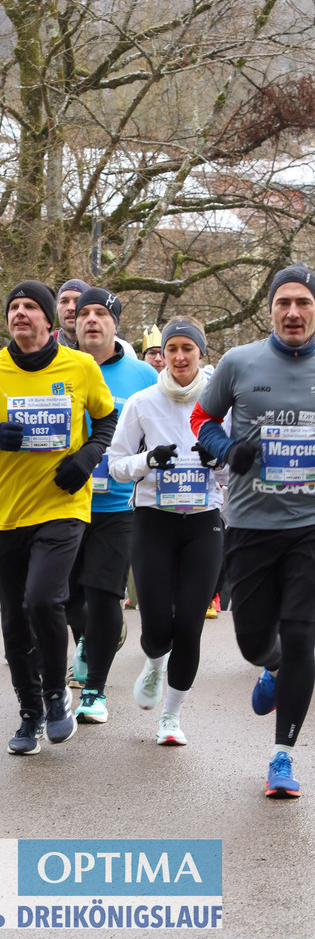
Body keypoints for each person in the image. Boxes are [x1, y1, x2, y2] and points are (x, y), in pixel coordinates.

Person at [0, 280, 117, 754]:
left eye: (30, 307)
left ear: (49, 320)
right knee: (14, 617)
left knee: (44, 599)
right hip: (5, 512)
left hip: (62, 505)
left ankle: (55, 696)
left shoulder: (79, 366)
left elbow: (106, 420)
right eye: (13, 307)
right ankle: (29, 712)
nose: (20, 313)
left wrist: (87, 457)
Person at [191, 262, 315, 799]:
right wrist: (227, 452)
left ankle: (282, 756)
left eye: (303, 303)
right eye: (284, 302)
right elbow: (201, 420)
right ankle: (272, 666)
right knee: (254, 641)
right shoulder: (240, 363)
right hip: (249, 523)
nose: (293, 312)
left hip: (309, 524)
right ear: (270, 308)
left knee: (304, 636)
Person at [108, 315, 225, 746]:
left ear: (201, 354)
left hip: (204, 522)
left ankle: (171, 719)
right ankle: (155, 663)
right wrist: (146, 462)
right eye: (172, 348)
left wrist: (220, 462)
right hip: (153, 520)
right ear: (165, 355)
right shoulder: (141, 402)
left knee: (190, 623)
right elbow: (116, 465)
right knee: (157, 626)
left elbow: (235, 476)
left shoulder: (219, 406)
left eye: (187, 349)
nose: (179, 356)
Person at [68, 288, 158, 724]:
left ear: (115, 324)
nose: (90, 320)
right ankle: (85, 638)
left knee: (104, 594)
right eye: (83, 313)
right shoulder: (60, 366)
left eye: (100, 313)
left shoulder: (142, 374)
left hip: (119, 505)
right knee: (64, 597)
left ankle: (94, 692)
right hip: (61, 502)